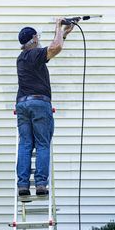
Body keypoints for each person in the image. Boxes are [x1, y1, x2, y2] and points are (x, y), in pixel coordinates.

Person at [15, 18, 74, 197]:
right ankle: (41, 184)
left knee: (25, 144)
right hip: (39, 103)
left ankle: (23, 186)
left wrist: (64, 33)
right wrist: (58, 25)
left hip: (22, 104)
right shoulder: (35, 54)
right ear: (33, 39)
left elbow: (53, 47)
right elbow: (56, 48)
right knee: (42, 143)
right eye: (37, 37)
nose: (39, 40)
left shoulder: (22, 58)